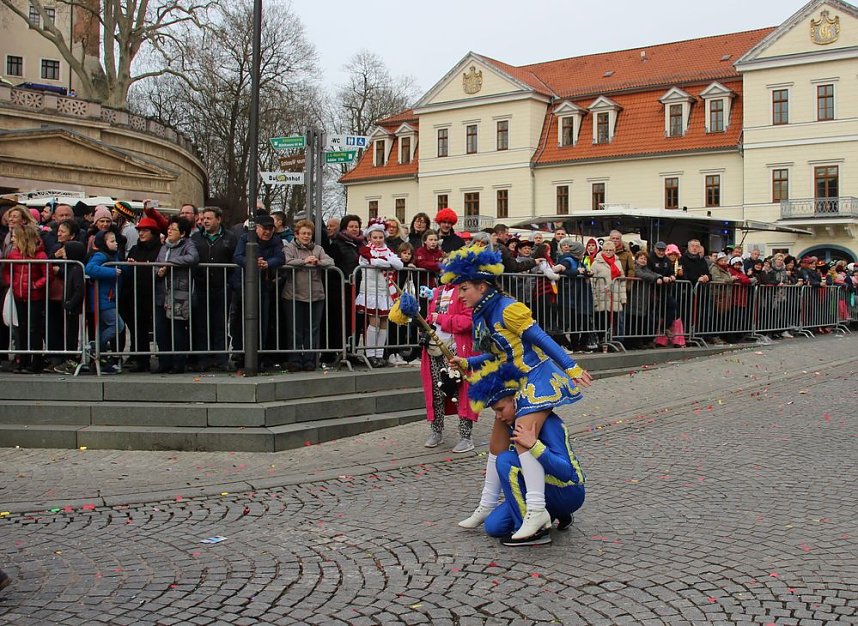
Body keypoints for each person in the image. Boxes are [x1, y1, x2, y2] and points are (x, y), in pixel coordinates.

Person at [443, 245, 592, 543]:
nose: (459, 295)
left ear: (482, 286)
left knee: (524, 435)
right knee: (498, 440)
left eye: (464, 289)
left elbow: (541, 339)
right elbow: (498, 356)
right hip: (514, 380)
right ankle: (487, 504)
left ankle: (537, 509)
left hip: (537, 378)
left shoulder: (508, 308)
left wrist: (571, 367)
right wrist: (467, 362)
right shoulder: (481, 314)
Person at [458, 365, 586, 545]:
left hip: (568, 490)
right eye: (495, 412)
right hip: (543, 492)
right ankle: (554, 513)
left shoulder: (550, 424)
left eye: (500, 409)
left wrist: (534, 445)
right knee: (494, 527)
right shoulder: (512, 423)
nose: (499, 416)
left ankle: (534, 531)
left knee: (506, 461)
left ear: (516, 400)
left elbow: (565, 472)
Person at [419, 281, 478, 452]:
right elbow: (430, 318)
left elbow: (468, 321)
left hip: (455, 351)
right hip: (433, 349)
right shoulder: (436, 292)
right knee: (436, 391)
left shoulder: (463, 290)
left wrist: (441, 319)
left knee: (461, 392)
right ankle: (436, 431)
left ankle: (466, 436)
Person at [231, 214, 285, 368]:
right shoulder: (245, 238)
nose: (267, 232)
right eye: (265, 229)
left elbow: (280, 257)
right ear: (257, 228)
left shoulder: (276, 241)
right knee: (242, 321)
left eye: (270, 229)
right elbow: (238, 256)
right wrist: (253, 262)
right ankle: (243, 355)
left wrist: (267, 263)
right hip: (244, 286)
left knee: (264, 322)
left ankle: (260, 356)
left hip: (265, 287)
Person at [281, 219, 333, 372]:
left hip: (316, 294)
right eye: (303, 233)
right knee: (295, 329)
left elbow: (330, 261)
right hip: (293, 294)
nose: (306, 236)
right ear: (297, 234)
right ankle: (295, 359)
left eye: (309, 233)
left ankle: (310, 360)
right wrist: (304, 261)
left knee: (313, 329)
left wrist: (318, 262)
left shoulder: (318, 249)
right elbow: (286, 261)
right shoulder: (289, 247)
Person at [190, 207, 237, 371]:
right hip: (201, 286)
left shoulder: (230, 238)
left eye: (209, 218)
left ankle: (221, 358)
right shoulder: (195, 238)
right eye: (204, 219)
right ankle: (203, 358)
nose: (205, 221)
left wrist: (230, 282)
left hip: (221, 286)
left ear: (219, 219)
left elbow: (235, 260)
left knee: (220, 324)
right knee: (201, 324)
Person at [355, 218, 403, 368]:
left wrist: (386, 260)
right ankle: (370, 354)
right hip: (371, 291)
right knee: (373, 322)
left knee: (384, 324)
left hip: (385, 292)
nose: (378, 240)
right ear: (369, 237)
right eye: (374, 237)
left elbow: (399, 264)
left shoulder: (388, 250)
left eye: (380, 237)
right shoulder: (366, 250)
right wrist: (387, 262)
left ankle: (379, 354)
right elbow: (374, 263)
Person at [154, 217, 199, 374]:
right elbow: (157, 263)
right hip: (162, 293)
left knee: (177, 330)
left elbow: (192, 258)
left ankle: (178, 362)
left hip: (179, 293)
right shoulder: (164, 247)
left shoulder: (188, 244)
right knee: (161, 330)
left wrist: (170, 263)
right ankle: (164, 361)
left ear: (183, 233)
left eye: (173, 229)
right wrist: (158, 270)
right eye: (169, 229)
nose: (169, 231)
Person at [3, 224, 48, 373]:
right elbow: (7, 271)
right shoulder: (14, 254)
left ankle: (35, 363)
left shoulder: (40, 255)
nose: (13, 240)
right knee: (21, 329)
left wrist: (36, 285)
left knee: (34, 329)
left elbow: (47, 275)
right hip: (18, 295)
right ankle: (22, 361)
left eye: (15, 237)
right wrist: (12, 283)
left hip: (34, 297)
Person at [122, 217, 164, 372]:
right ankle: (141, 359)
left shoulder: (160, 249)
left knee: (159, 327)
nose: (141, 233)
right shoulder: (135, 248)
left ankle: (164, 358)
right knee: (138, 328)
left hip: (154, 291)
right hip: (136, 292)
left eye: (145, 230)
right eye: (140, 230)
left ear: (153, 232)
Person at [85, 230, 125, 373]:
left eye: (115, 241)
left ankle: (100, 359)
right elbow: (89, 268)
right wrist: (111, 272)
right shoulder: (101, 255)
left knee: (104, 328)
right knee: (117, 325)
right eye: (112, 241)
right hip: (103, 299)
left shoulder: (114, 255)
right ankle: (95, 345)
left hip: (110, 298)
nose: (115, 243)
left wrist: (127, 265)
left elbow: (121, 270)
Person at [556, 238, 598, 351]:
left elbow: (583, 270)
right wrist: (577, 272)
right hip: (568, 296)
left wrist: (587, 273)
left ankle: (577, 345)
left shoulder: (579, 262)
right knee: (564, 323)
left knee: (577, 322)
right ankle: (564, 345)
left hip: (578, 298)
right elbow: (561, 270)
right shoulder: (568, 260)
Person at [589, 240, 627, 341]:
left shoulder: (618, 262)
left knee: (614, 321)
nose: (609, 252)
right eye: (606, 250)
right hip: (601, 296)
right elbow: (592, 282)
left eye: (611, 250)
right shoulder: (596, 263)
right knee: (602, 320)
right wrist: (594, 299)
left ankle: (612, 340)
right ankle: (602, 340)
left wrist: (623, 298)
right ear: (603, 250)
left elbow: (622, 281)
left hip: (615, 296)